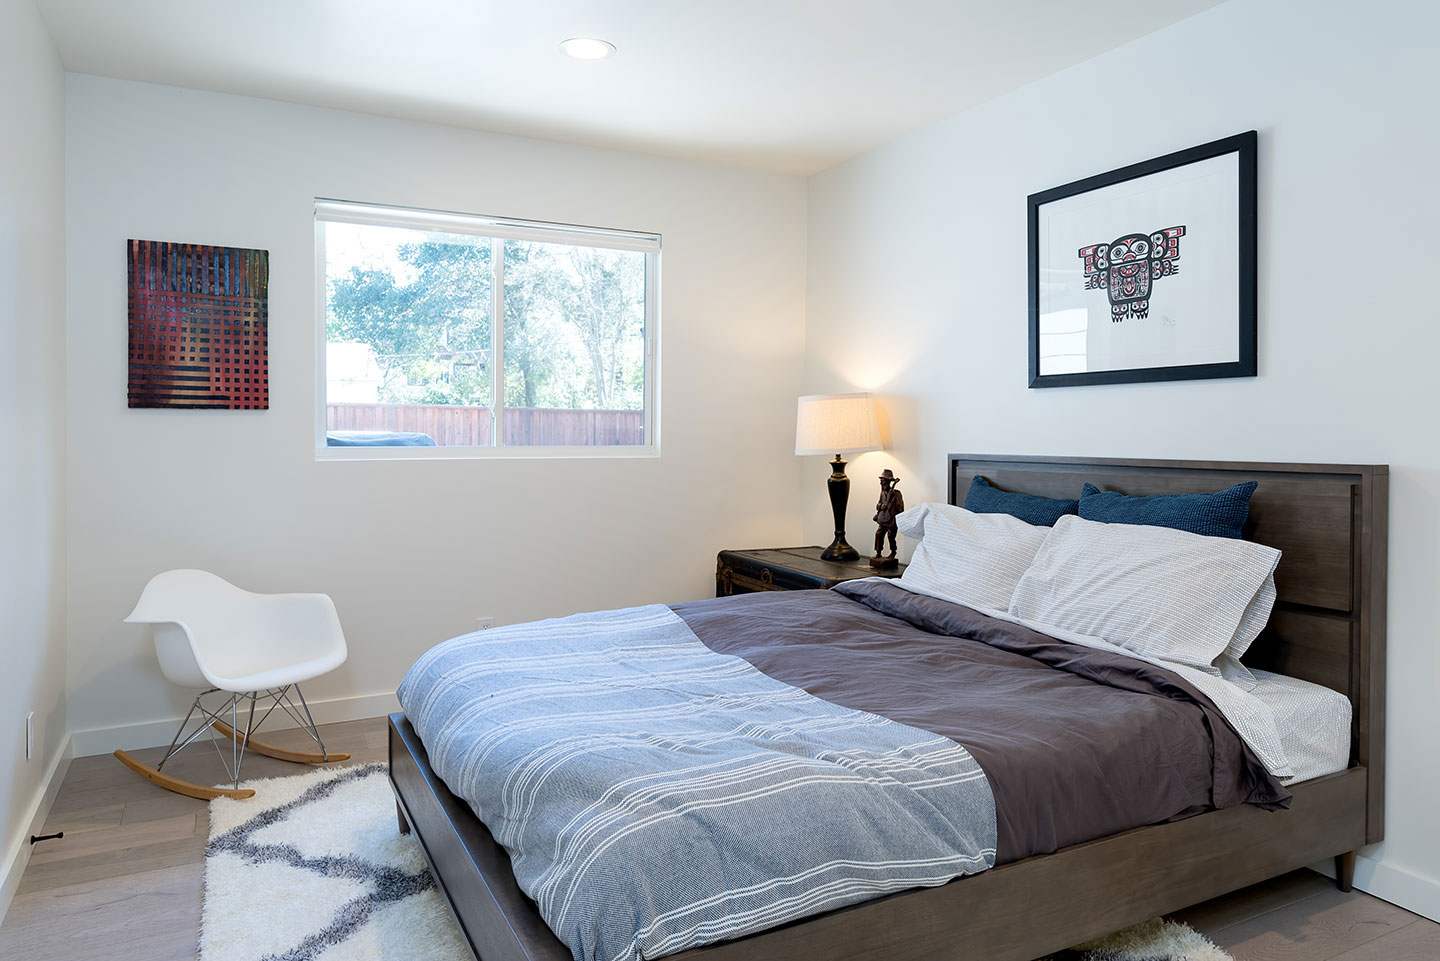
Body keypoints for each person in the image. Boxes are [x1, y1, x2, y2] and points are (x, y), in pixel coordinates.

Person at [872, 469, 904, 560]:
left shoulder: (896, 493)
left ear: (888, 481)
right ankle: (878, 552)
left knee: (891, 536)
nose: (881, 483)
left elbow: (900, 507)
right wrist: (881, 506)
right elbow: (878, 504)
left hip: (892, 519)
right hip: (883, 517)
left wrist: (892, 503)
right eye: (881, 480)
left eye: (882, 481)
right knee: (879, 534)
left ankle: (893, 552)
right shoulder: (882, 493)